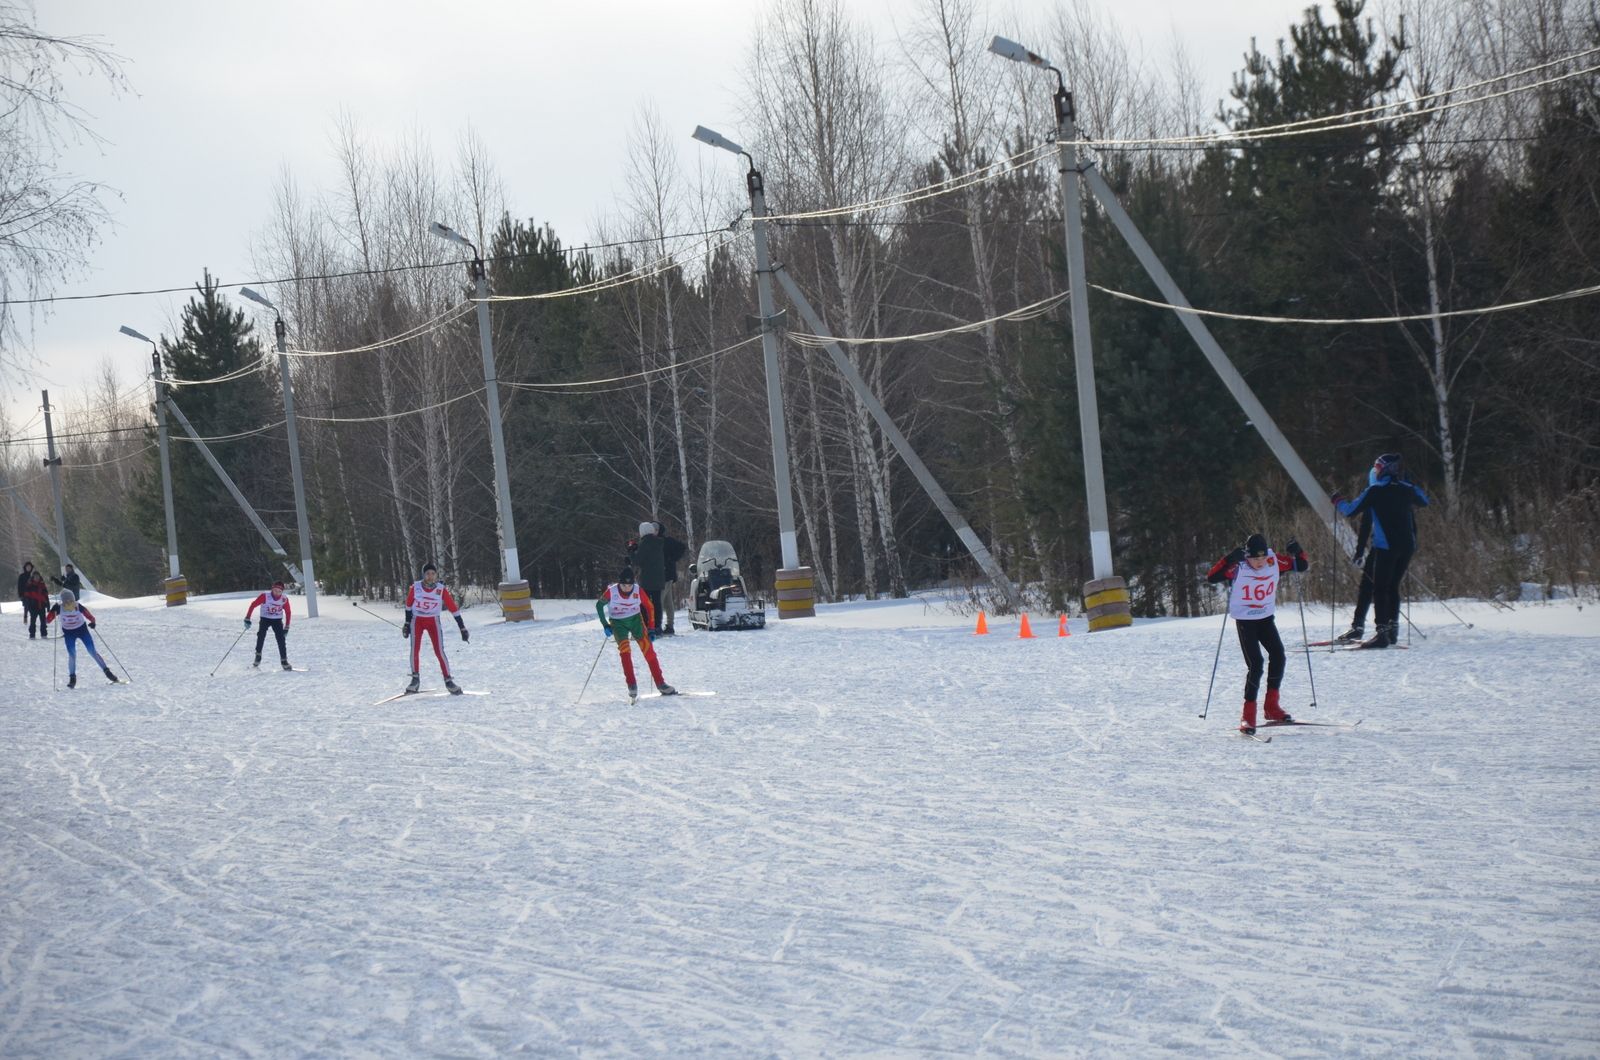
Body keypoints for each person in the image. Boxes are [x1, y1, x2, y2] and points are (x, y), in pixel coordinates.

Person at [1207, 533, 1309, 735]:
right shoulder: (1239, 566)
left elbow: (1301, 565)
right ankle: (1248, 716)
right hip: (1246, 621)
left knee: (1279, 656)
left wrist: (1298, 552)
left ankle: (1272, 708)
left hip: (1265, 618)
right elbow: (1211, 577)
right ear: (1247, 556)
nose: (1259, 562)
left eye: (1262, 558)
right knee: (1256, 664)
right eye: (1254, 558)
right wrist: (1228, 559)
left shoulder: (1274, 560)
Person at [1333, 452, 1429, 649]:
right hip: (1407, 546)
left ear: (1383, 470)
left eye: (1376, 468)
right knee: (1393, 587)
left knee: (1380, 589)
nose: (1374, 472)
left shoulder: (1375, 490)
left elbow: (1350, 511)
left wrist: (1337, 501)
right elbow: (1424, 500)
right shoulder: (1406, 489)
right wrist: (1409, 483)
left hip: (1386, 547)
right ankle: (1392, 632)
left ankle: (1381, 633)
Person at [595, 565, 676, 701]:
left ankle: (661, 684)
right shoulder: (611, 591)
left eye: (629, 585)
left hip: (635, 621)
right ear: (619, 583)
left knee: (648, 650)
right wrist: (605, 625)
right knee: (625, 651)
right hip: (618, 623)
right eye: (624, 585)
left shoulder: (638, 590)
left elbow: (649, 607)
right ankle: (632, 685)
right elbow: (599, 605)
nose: (627, 588)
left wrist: (651, 628)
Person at [402, 562, 468, 694]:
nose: (430, 576)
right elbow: (408, 606)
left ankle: (448, 680)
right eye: (427, 574)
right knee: (415, 649)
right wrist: (407, 624)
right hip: (417, 620)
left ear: (436, 575)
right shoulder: (416, 587)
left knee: (439, 651)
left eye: (433, 574)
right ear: (424, 575)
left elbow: (453, 608)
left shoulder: (440, 589)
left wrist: (462, 627)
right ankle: (415, 680)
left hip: (433, 621)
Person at [45, 589, 118, 688]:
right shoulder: (59, 608)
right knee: (72, 655)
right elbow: (48, 620)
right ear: (63, 601)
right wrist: (53, 610)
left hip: (82, 630)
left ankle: (108, 672)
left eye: (71, 600)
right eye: (66, 601)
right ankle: (72, 679)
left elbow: (89, 615)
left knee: (92, 651)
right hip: (69, 633)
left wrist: (92, 622)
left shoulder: (78, 606)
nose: (69, 603)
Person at [631, 521, 686, 636]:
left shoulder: (655, 542)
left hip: (659, 577)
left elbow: (639, 560)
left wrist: (671, 559)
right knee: (663, 602)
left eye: (656, 529)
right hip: (662, 576)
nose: (654, 531)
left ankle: (653, 626)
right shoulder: (660, 542)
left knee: (656, 602)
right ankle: (662, 626)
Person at [1335, 506, 1377, 644]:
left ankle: (1359, 627)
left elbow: (1364, 525)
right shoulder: (1401, 490)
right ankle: (1389, 627)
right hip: (1401, 546)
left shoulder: (1374, 492)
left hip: (1381, 549)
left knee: (1368, 587)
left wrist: (1359, 552)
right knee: (1386, 587)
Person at [244, 580, 294, 670]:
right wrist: (247, 618)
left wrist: (287, 627)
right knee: (261, 635)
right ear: (272, 589)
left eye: (279, 591)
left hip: (277, 620)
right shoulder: (265, 596)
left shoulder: (284, 599)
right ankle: (258, 655)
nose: (277, 593)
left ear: (282, 592)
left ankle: (284, 660)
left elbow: (288, 612)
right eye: (275, 590)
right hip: (265, 619)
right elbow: (253, 605)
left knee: (281, 639)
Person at [22, 570, 50, 639]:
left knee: (43, 621)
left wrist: (48, 605)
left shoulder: (42, 585)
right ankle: (32, 634)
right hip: (33, 606)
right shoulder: (29, 585)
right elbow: (26, 597)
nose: (37, 578)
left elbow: (46, 596)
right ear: (33, 577)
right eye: (35, 576)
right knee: (33, 621)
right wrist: (27, 607)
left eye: (38, 576)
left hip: (42, 606)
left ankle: (44, 634)